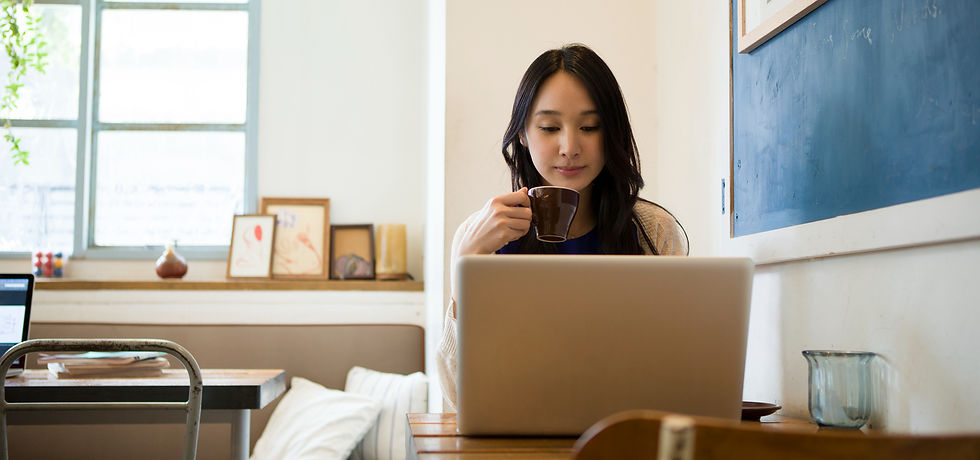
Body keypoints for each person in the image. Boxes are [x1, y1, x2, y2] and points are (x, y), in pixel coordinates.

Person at [437, 44, 689, 410]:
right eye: (550, 127)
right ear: (522, 134)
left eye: (589, 126)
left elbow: (677, 373)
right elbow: (459, 399)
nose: (570, 147)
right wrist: (467, 263)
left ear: (612, 133)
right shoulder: (481, 238)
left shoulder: (653, 231)